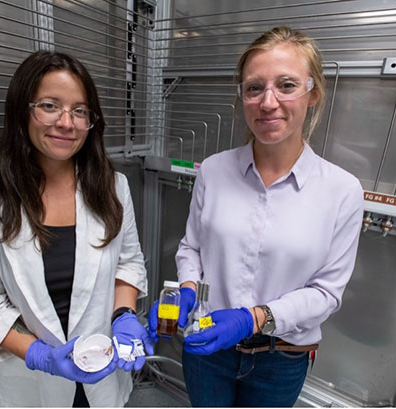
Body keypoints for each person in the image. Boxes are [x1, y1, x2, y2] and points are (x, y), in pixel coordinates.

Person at [148, 26, 364, 407]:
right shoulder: (213, 171)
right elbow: (191, 248)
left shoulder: (341, 191)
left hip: (280, 358)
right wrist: (185, 288)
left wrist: (254, 318)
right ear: (241, 97)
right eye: (254, 88)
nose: (268, 102)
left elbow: (326, 294)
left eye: (286, 85)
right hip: (208, 346)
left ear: (313, 93)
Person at [0, 51, 153, 407]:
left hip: (102, 372)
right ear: (22, 112)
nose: (66, 122)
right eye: (49, 106)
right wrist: (42, 356)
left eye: (79, 110)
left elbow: (128, 263)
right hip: (31, 378)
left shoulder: (112, 187)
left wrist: (124, 316)